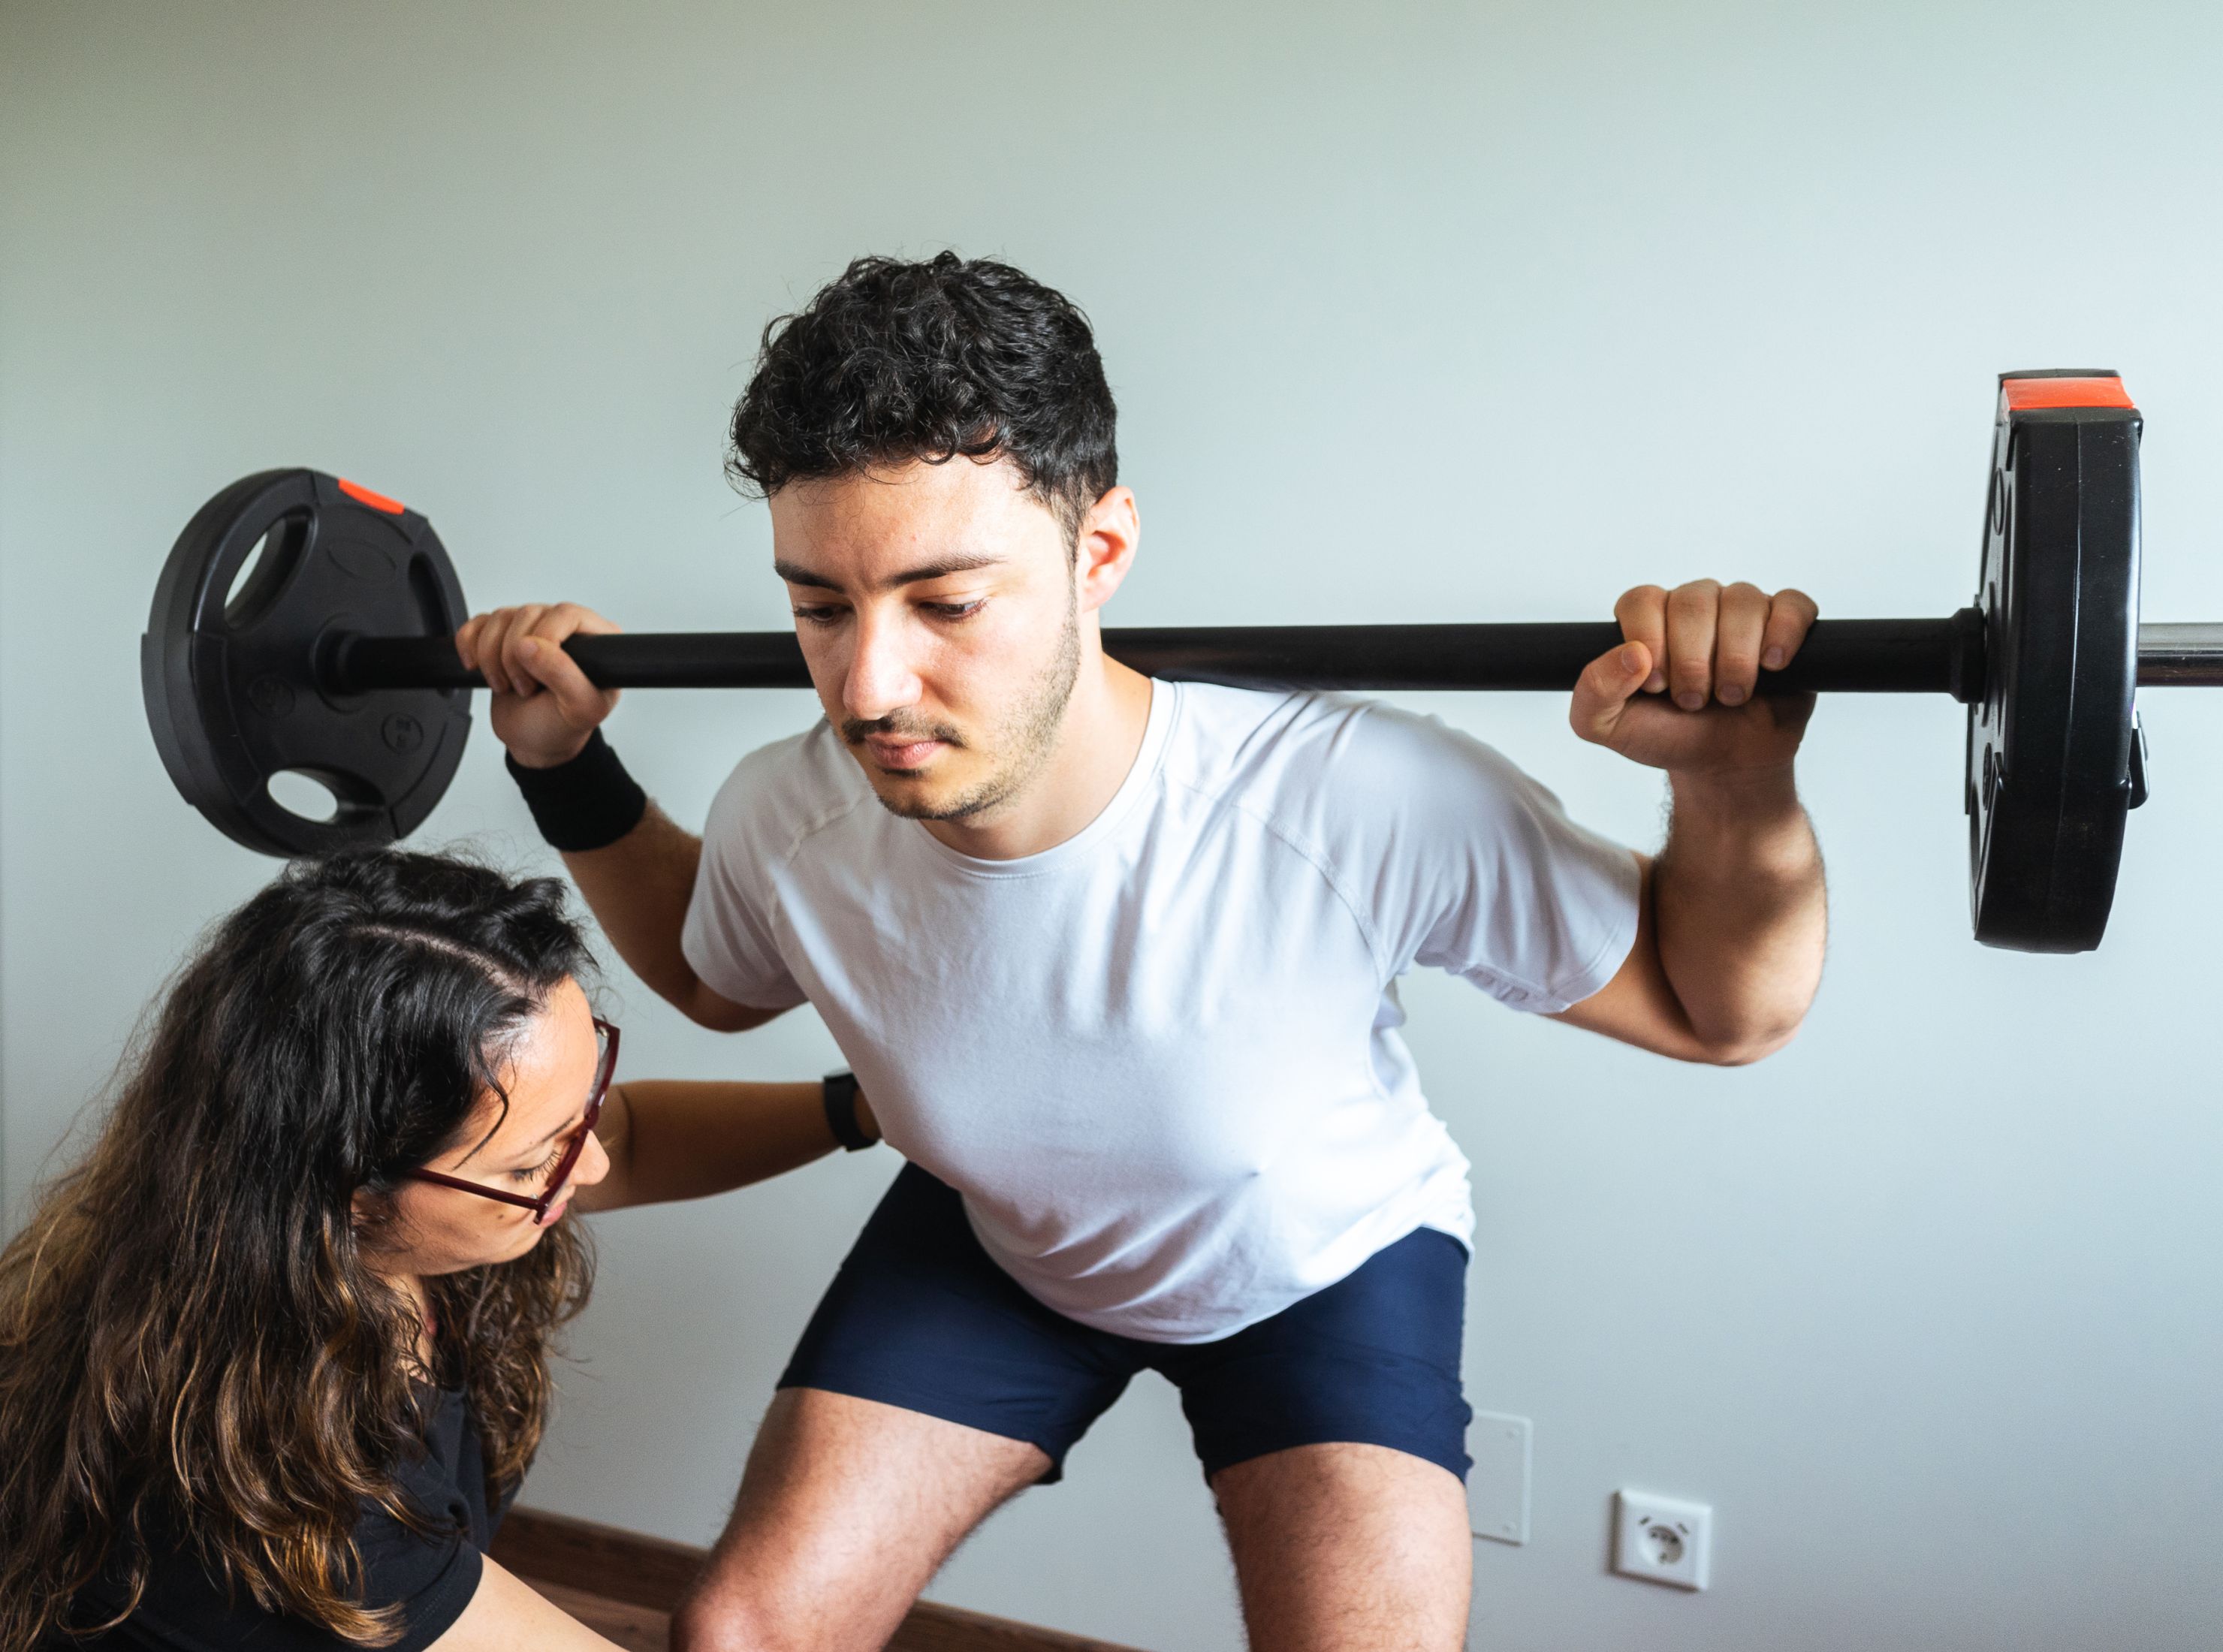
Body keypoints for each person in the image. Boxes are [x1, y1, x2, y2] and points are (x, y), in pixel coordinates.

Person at [456, 252, 1827, 1652]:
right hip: (999, 1240)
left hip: (1319, 1262)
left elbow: (1718, 1011)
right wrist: (568, 770)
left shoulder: (1348, 798)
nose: (868, 688)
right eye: (821, 607)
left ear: (1097, 552)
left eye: (946, 603)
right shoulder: (789, 810)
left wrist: (1735, 786)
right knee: (743, 1637)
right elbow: (712, 979)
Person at [0, 849, 879, 1652]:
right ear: (351, 1193)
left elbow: (636, 1138)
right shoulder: (274, 1484)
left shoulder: (354, 1233)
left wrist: (865, 1108)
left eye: (584, 1109)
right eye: (540, 1159)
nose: (595, 1161)